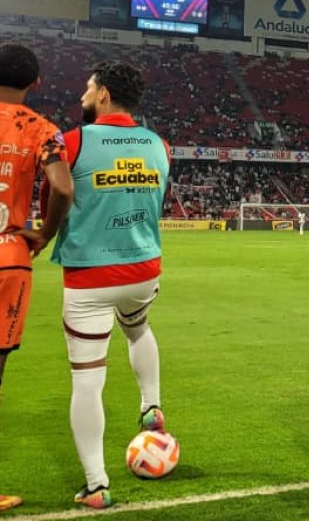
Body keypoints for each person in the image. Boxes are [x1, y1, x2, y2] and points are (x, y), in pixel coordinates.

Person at [50, 62, 169, 509]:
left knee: (87, 381)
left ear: (102, 94)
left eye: (88, 86)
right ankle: (151, 405)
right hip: (142, 270)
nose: (83, 92)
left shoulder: (74, 141)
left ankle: (97, 485)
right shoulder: (160, 145)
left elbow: (57, 197)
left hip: (90, 277)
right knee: (137, 326)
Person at [0, 44, 73, 514]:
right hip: (8, 257)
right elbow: (63, 187)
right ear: (36, 83)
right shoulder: (41, 130)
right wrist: (45, 232)